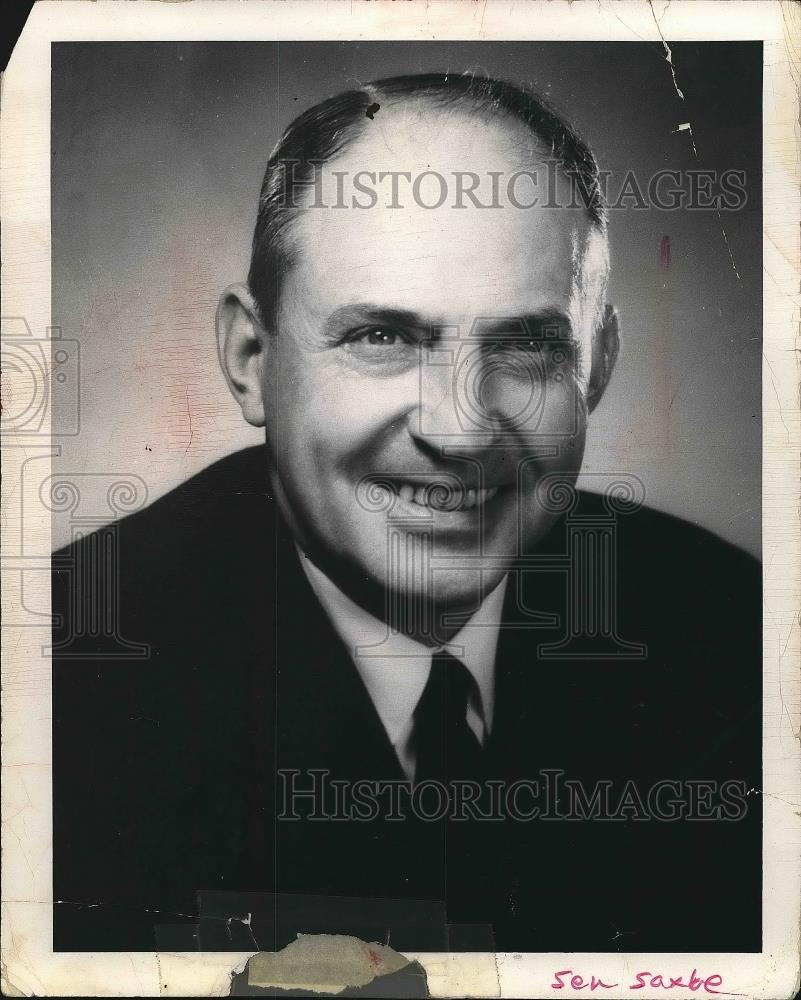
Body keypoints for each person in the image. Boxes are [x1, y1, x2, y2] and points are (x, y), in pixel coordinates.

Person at [53, 73, 761, 954]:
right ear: (250, 359)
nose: (460, 432)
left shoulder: (736, 636)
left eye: (525, 344)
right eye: (382, 337)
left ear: (598, 365)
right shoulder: (63, 682)